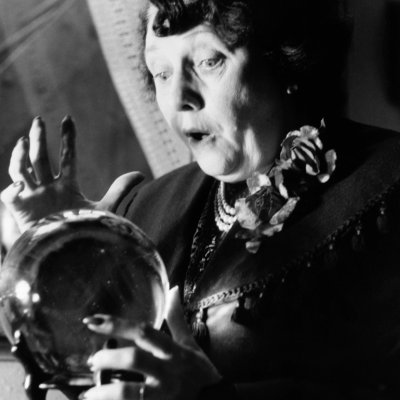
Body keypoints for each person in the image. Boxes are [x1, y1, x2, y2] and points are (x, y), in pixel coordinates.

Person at [2, 0, 400, 399]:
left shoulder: (385, 187)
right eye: (160, 72)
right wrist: (66, 257)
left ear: (282, 56)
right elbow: (99, 379)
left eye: (209, 62)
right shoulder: (140, 213)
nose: (178, 98)